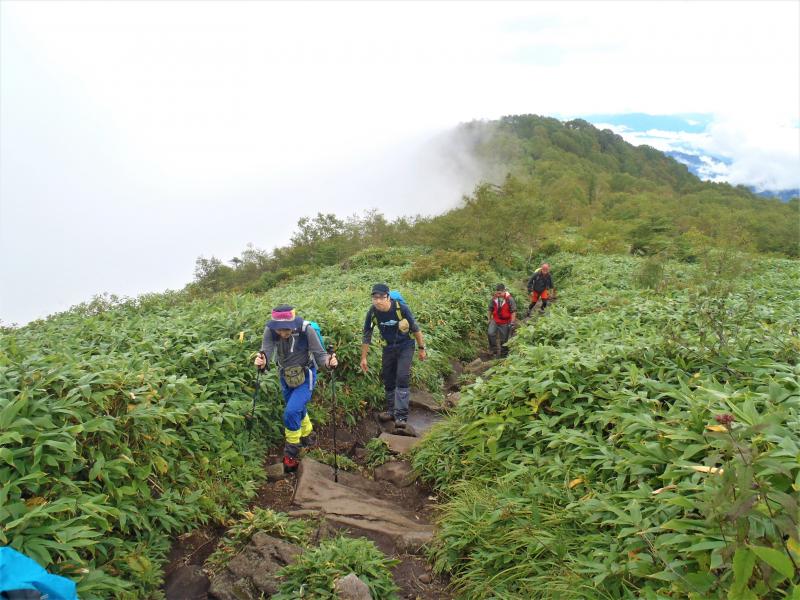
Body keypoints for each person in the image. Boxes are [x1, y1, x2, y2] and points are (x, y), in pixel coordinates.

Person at [254, 304, 338, 473]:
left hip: (306, 375)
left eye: (286, 329)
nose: (282, 333)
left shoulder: (306, 330)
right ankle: (308, 436)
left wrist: (329, 362)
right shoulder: (270, 331)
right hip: (285, 376)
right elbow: (266, 353)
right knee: (298, 408)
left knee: (291, 412)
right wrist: (262, 362)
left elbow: (320, 355)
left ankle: (291, 454)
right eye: (279, 329)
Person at [360, 283, 426, 436]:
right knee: (388, 378)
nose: (378, 301)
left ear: (388, 297)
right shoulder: (372, 313)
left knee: (402, 377)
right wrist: (364, 357)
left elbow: (415, 328)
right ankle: (391, 411)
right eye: (374, 297)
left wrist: (422, 348)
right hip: (388, 348)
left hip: (405, 346)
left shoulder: (400, 309)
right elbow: (367, 334)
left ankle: (401, 417)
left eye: (381, 297)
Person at [488, 283, 517, 357]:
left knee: (504, 340)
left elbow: (513, 311)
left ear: (504, 291)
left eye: (500, 293)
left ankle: (503, 355)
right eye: (497, 293)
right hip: (495, 319)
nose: (498, 295)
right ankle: (493, 350)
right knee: (490, 333)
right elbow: (490, 309)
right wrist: (489, 319)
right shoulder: (494, 298)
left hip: (505, 321)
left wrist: (512, 322)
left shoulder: (509, 299)